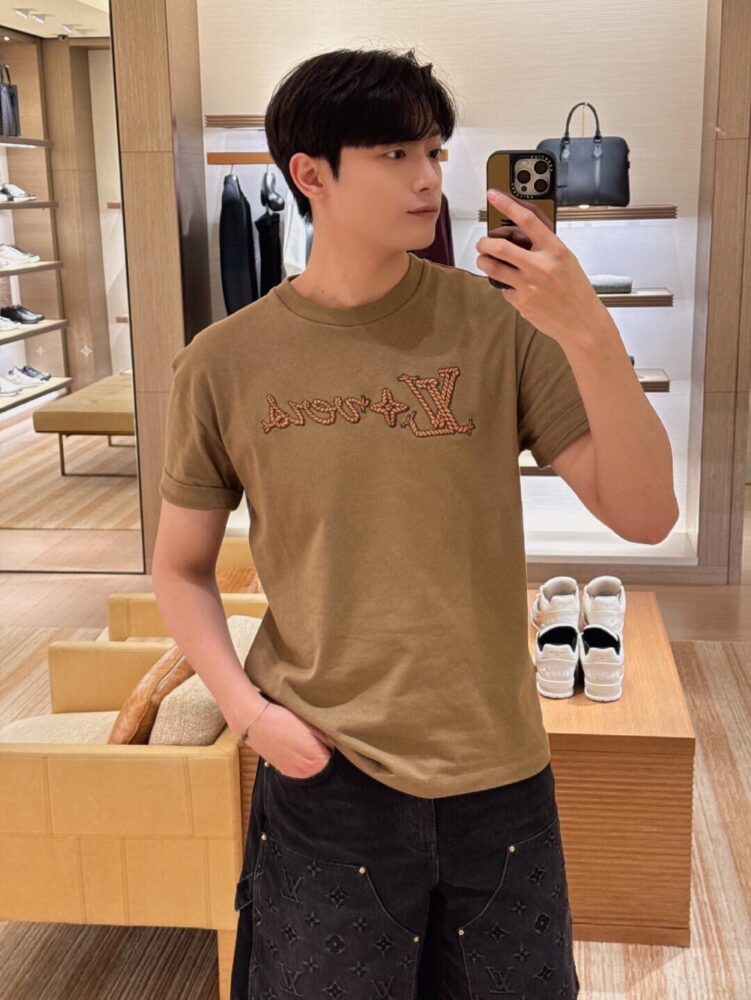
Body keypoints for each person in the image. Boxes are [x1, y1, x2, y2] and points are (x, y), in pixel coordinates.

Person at [153, 44, 677, 1000]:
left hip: (498, 771)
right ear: (310, 175)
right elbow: (179, 567)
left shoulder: (497, 324)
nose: (429, 177)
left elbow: (645, 515)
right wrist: (251, 714)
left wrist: (586, 328)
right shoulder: (223, 362)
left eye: (434, 150)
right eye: (395, 154)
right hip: (323, 772)